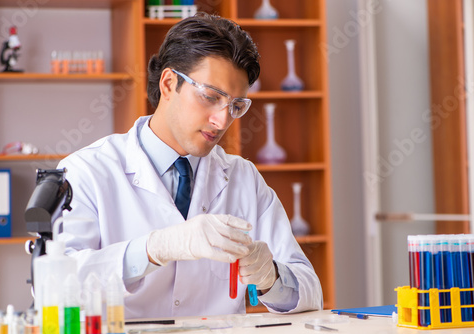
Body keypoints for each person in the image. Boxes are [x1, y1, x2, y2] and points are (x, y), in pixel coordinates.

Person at [57, 12, 322, 319]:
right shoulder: (87, 171)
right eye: (210, 97)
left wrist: (271, 277)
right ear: (169, 84)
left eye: (236, 106)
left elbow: (311, 291)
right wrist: (154, 249)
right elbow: (59, 283)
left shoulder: (243, 178)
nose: (222, 120)